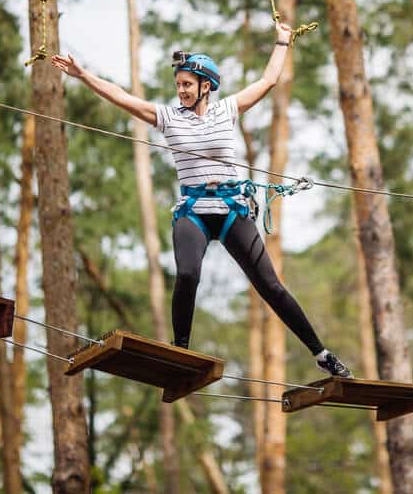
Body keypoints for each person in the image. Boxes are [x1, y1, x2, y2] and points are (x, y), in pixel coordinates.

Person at [52, 22, 352, 378]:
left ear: (205, 86)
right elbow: (122, 96)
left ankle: (321, 354)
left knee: (270, 286)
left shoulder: (228, 110)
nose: (180, 90)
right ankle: (180, 351)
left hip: (231, 210)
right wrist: (82, 75)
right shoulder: (167, 117)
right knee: (188, 273)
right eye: (178, 84)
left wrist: (282, 41)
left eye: (186, 85)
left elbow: (267, 81)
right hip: (193, 212)